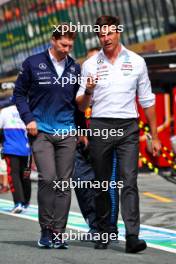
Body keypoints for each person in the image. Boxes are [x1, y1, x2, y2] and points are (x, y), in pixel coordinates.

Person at [76, 15, 161, 252]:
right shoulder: (90, 65)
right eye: (101, 35)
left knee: (129, 182)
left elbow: (147, 100)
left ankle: (132, 236)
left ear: (118, 32)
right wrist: (89, 91)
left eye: (109, 33)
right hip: (100, 125)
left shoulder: (137, 62)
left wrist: (154, 135)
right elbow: (81, 106)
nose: (106, 38)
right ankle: (103, 231)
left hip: (128, 128)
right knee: (102, 183)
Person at [13, 23, 83, 249]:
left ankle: (58, 233)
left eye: (70, 44)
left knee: (64, 184)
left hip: (67, 132)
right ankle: (45, 229)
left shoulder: (75, 67)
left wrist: (82, 130)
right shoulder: (32, 63)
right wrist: (28, 118)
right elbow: (19, 94)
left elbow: (76, 104)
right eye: (63, 44)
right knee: (49, 179)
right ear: (53, 40)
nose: (67, 48)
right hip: (41, 130)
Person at [0, 104, 31, 212]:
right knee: (25, 176)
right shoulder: (29, 109)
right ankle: (26, 202)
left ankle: (18, 202)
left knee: (14, 176)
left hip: (11, 148)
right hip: (26, 149)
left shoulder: (5, 111)